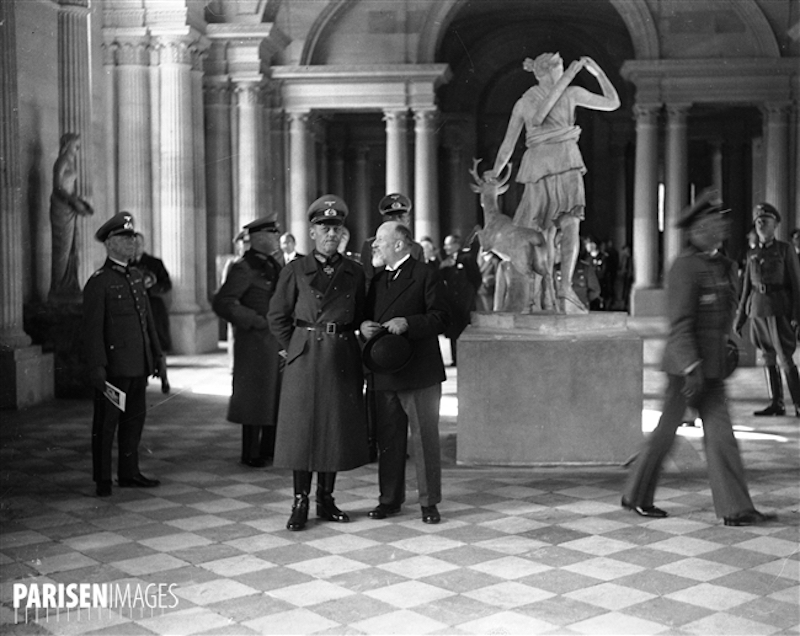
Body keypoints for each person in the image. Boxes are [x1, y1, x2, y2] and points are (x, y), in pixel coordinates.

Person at [622, 190, 776, 527]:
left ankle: (736, 508)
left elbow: (725, 315)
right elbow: (680, 325)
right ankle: (636, 495)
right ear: (696, 230)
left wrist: (730, 344)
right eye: (713, 223)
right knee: (665, 434)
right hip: (686, 371)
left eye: (721, 222)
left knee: (721, 437)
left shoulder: (723, 265)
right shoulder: (685, 268)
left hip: (714, 368)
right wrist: (691, 367)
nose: (721, 228)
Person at [267, 194, 369, 531]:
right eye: (324, 228)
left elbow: (362, 315)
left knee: (333, 429)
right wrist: (293, 347)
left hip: (340, 356)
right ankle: (300, 501)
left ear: (342, 233)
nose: (330, 234)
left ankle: (326, 498)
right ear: (311, 232)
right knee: (302, 432)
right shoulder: (295, 270)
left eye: (336, 228)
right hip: (306, 357)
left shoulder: (354, 271)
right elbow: (277, 316)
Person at [489, 53, 619, 314]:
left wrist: (494, 173)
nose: (563, 70)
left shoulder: (527, 101)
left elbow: (507, 147)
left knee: (543, 232)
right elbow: (612, 101)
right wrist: (597, 73)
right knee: (568, 228)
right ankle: (561, 289)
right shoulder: (567, 94)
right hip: (564, 161)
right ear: (547, 72)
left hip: (541, 165)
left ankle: (552, 292)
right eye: (560, 67)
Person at [361, 221, 449, 524]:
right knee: (389, 439)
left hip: (419, 373)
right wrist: (363, 326)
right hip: (384, 372)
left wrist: (409, 323)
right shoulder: (376, 280)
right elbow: (363, 314)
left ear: (399, 244)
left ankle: (429, 502)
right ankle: (389, 499)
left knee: (424, 440)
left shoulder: (425, 275)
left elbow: (441, 318)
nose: (375, 247)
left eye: (381, 241)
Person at [82, 212, 166, 497]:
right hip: (114, 368)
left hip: (138, 364)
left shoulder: (136, 276)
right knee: (106, 426)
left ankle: (129, 473)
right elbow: (92, 331)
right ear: (108, 243)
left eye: (132, 237)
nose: (131, 242)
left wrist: (156, 355)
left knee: (134, 423)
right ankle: (103, 479)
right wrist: (97, 366)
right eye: (124, 238)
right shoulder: (99, 282)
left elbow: (147, 322)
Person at [213, 217, 284, 468]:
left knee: (273, 395)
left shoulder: (273, 265)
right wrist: (256, 321)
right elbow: (223, 302)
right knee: (255, 398)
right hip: (254, 343)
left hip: (274, 343)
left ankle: (269, 448)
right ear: (259, 238)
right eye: (273, 234)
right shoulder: (244, 267)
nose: (277, 238)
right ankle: (251, 452)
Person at [735, 203, 800, 417]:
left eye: (766, 220)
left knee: (785, 357)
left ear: (776, 224)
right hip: (758, 309)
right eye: (758, 221)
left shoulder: (785, 249)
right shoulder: (752, 253)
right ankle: (777, 403)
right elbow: (746, 288)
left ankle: (798, 403)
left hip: (779, 308)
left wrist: (796, 315)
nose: (761, 224)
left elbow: (796, 284)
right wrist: (740, 317)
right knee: (767, 357)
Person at [49, 132, 94, 303]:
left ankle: (70, 286)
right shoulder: (61, 161)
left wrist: (79, 201)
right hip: (61, 207)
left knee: (73, 247)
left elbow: (70, 189)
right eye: (76, 145)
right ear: (68, 145)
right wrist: (72, 201)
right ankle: (58, 288)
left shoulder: (70, 162)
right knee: (62, 248)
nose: (77, 149)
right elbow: (57, 188)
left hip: (69, 207)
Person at [360, 193, 424, 287]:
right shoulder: (371, 245)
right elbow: (366, 280)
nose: (396, 221)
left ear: (408, 221)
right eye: (391, 216)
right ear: (384, 220)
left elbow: (420, 281)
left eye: (401, 216)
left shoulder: (416, 248)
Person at [439, 234, 481, 366]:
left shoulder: (467, 258)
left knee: (464, 329)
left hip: (465, 302)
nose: (446, 247)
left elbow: (476, 278)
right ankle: (455, 359)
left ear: (456, 245)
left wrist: (469, 294)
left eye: (448, 244)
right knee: (453, 330)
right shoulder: (446, 261)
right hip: (451, 302)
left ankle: (466, 358)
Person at [132, 232, 173, 352]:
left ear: (143, 245)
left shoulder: (155, 263)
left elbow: (166, 285)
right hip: (133, 308)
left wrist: (150, 286)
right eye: (133, 244)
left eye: (138, 244)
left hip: (153, 307)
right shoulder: (125, 265)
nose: (136, 247)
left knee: (156, 343)